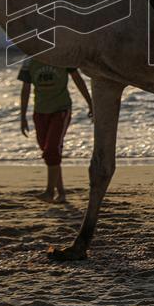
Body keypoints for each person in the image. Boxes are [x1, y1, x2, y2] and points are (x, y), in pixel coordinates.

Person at [18, 59, 93, 202]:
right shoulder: (29, 62)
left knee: (52, 150)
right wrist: (22, 117)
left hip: (61, 110)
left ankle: (49, 192)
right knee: (49, 154)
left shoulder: (62, 55)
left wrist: (90, 103)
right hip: (40, 111)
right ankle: (61, 193)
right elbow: (25, 89)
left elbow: (77, 79)